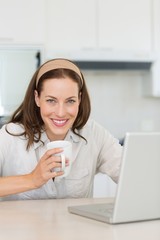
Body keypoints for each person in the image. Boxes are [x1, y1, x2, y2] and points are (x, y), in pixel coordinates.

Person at [0, 58, 122, 200]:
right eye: (51, 101)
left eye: (70, 101)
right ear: (37, 98)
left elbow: (132, 173)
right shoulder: (10, 136)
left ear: (79, 99)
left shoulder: (93, 133)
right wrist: (32, 179)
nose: (60, 112)